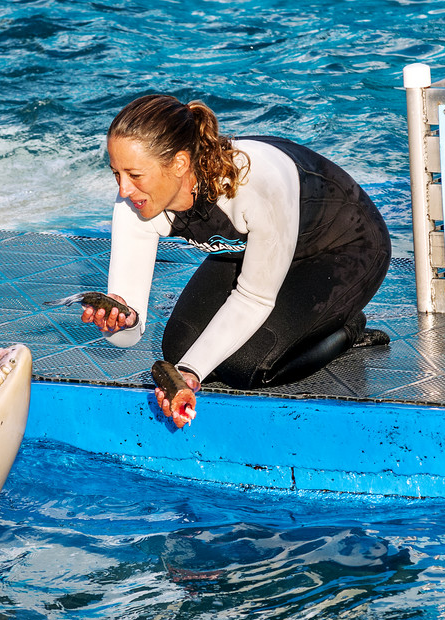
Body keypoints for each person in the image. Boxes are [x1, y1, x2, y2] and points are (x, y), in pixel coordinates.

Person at [82, 94, 391, 427]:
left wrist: (191, 374)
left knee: (248, 366)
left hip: (343, 248)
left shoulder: (254, 186)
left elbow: (254, 298)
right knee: (178, 350)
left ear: (180, 164)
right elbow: (130, 331)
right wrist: (121, 323)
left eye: (134, 175)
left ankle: (346, 328)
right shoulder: (135, 199)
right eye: (117, 174)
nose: (124, 189)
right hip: (252, 252)